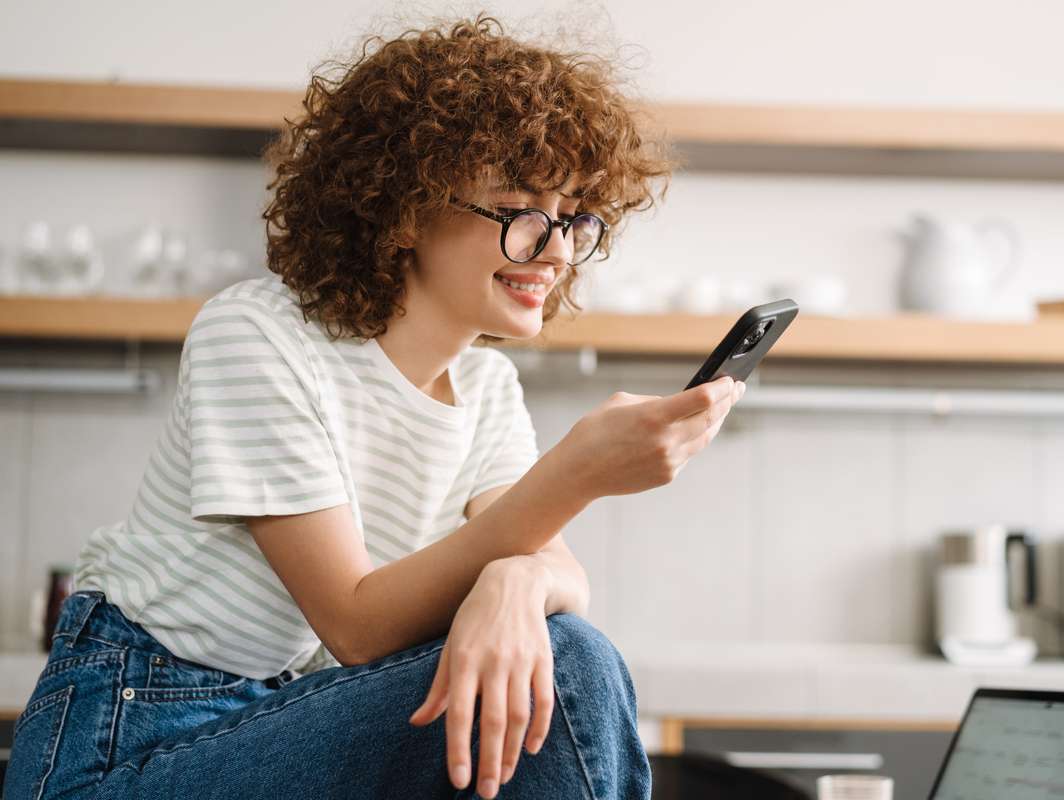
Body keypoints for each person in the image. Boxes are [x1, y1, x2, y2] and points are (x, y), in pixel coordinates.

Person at [3, 12, 746, 800]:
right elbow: (355, 626)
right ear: (405, 208)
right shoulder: (257, 333)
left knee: (560, 646)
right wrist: (577, 475)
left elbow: (557, 569)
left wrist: (515, 585)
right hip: (133, 742)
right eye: (524, 211)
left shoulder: (487, 390)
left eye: (573, 218)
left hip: (289, 715)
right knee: (570, 666)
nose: (558, 249)